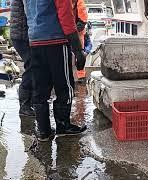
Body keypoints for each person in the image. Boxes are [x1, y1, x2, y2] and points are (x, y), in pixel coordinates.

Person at [24, 0, 87, 141]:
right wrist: (77, 49)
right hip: (56, 41)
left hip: (34, 41)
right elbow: (65, 15)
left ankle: (43, 131)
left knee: (39, 89)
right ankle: (63, 126)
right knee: (65, 87)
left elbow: (26, 14)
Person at [10, 0, 35, 117]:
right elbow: (30, 12)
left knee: (33, 66)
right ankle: (25, 106)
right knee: (31, 66)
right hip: (22, 35)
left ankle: (30, 102)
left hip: (20, 34)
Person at [72, 0, 88, 81]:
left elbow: (83, 19)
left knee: (80, 55)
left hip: (77, 33)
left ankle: (81, 76)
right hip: (67, 31)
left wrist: (74, 31)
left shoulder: (79, 2)